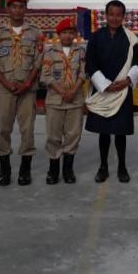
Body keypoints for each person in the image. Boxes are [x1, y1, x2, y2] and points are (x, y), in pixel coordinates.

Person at [0, 0, 44, 186]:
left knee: (27, 129)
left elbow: (39, 60)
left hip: (27, 88)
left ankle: (25, 169)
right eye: (14, 6)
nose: (17, 10)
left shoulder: (35, 33)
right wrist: (6, 83)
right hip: (5, 88)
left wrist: (28, 83)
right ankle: (5, 170)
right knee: (4, 128)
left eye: (21, 6)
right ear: (8, 9)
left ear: (25, 9)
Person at [85, 0, 138, 183]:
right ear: (105, 15)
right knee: (104, 132)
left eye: (119, 15)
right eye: (111, 14)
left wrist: (126, 81)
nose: (115, 18)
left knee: (120, 131)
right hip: (103, 90)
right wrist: (105, 84)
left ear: (123, 17)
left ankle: (122, 166)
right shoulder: (96, 37)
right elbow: (90, 63)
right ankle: (103, 167)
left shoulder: (130, 38)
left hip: (122, 91)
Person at [40, 17, 86, 185]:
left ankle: (68, 169)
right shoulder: (50, 53)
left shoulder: (80, 52)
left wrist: (73, 91)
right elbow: (46, 76)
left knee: (73, 134)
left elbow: (83, 73)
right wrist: (61, 92)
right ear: (58, 34)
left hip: (75, 99)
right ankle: (53, 170)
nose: (67, 36)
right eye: (64, 33)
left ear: (74, 34)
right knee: (53, 135)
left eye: (70, 32)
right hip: (55, 100)